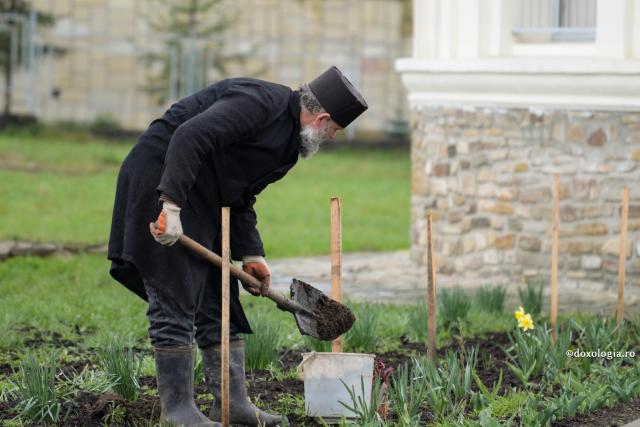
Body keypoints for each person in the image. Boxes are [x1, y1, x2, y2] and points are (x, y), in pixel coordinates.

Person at [107, 66, 367, 427]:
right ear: (322, 117)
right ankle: (177, 411)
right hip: (163, 176)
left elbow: (242, 193)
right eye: (335, 130)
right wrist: (170, 204)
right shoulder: (258, 102)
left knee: (219, 297)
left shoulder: (287, 148)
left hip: (204, 196)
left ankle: (233, 402)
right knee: (176, 290)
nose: (332, 138)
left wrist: (251, 254)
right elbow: (188, 136)